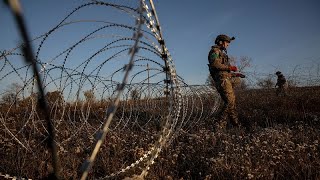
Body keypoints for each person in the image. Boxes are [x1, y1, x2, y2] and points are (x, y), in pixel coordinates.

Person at [208, 34, 245, 131]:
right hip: (222, 81)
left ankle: (236, 125)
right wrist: (230, 67)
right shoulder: (214, 51)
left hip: (225, 79)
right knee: (229, 102)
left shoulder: (222, 53)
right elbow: (215, 65)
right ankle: (219, 125)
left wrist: (235, 74)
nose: (228, 45)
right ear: (220, 42)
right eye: (227, 43)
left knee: (231, 103)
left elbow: (225, 72)